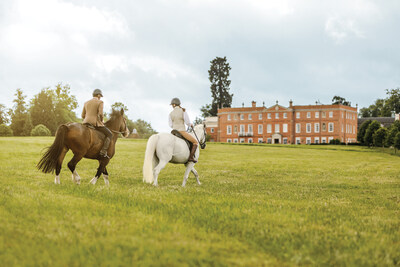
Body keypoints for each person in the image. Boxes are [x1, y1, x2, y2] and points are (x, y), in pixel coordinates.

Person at [82, 89, 113, 158]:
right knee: (110, 134)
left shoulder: (86, 102)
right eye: (100, 96)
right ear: (98, 95)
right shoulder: (100, 102)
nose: (100, 97)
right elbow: (101, 114)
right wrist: (102, 121)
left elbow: (82, 115)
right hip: (95, 123)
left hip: (85, 122)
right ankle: (103, 151)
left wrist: (88, 118)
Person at [169, 97, 198, 163]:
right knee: (195, 142)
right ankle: (191, 157)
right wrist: (191, 125)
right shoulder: (183, 111)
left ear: (173, 105)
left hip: (173, 132)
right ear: (178, 104)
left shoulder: (170, 114)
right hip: (181, 131)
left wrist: (175, 126)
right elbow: (187, 122)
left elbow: (170, 125)